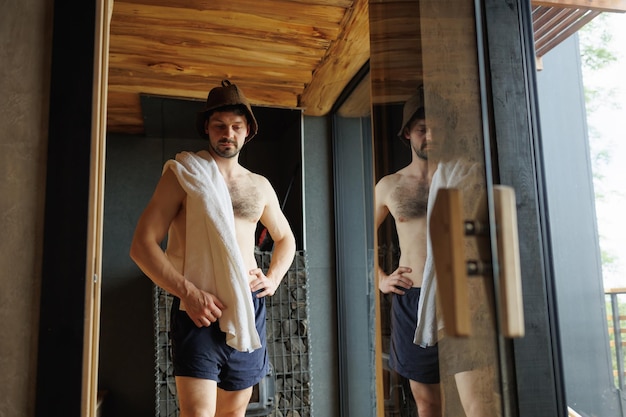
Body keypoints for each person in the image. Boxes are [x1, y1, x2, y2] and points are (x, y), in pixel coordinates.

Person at [129, 79, 296, 417]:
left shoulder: (259, 185)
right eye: (219, 125)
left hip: (248, 306)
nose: (227, 133)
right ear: (206, 127)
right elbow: (142, 245)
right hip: (198, 308)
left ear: (247, 131)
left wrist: (274, 278)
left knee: (233, 414)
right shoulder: (184, 175)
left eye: (236, 126)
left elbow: (286, 239)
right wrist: (188, 293)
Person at [375, 87, 442, 417]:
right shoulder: (391, 185)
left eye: (435, 127)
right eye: (421, 129)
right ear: (407, 134)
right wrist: (381, 280)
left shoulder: (461, 177)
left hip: (460, 295)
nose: (429, 135)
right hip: (412, 298)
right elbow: (359, 235)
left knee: (473, 396)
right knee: (427, 401)